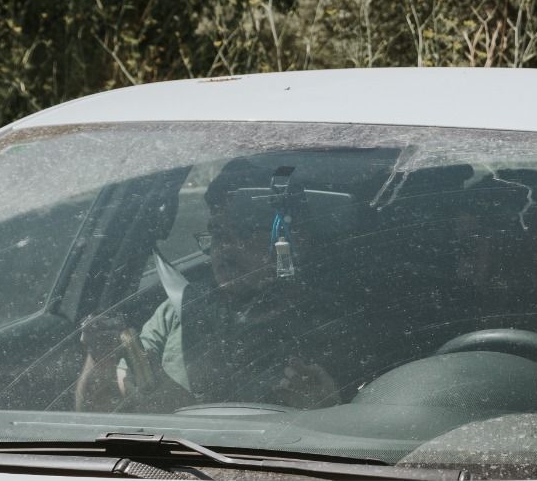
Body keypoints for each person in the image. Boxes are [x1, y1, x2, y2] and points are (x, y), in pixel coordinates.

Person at [76, 158, 342, 412]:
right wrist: (101, 359)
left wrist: (327, 408)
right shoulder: (178, 311)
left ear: (294, 240)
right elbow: (96, 414)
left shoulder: (336, 326)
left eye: (243, 231)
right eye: (217, 233)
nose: (223, 249)